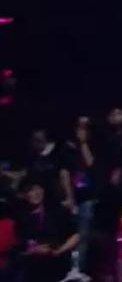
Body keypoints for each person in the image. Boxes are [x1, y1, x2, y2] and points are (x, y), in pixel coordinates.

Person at [14, 177, 79, 282]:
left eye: (38, 189)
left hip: (57, 265)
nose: (36, 193)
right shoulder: (19, 218)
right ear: (24, 195)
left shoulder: (58, 211)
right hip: (32, 270)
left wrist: (59, 250)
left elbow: (75, 235)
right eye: (31, 190)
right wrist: (32, 251)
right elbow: (16, 249)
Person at [59, 116, 97, 272]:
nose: (82, 130)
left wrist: (83, 144)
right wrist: (69, 197)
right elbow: (64, 173)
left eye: (85, 127)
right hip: (76, 198)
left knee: (87, 236)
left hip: (91, 197)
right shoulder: (66, 149)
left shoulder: (92, 145)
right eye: (80, 127)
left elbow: (91, 164)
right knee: (77, 235)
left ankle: (83, 269)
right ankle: (75, 270)